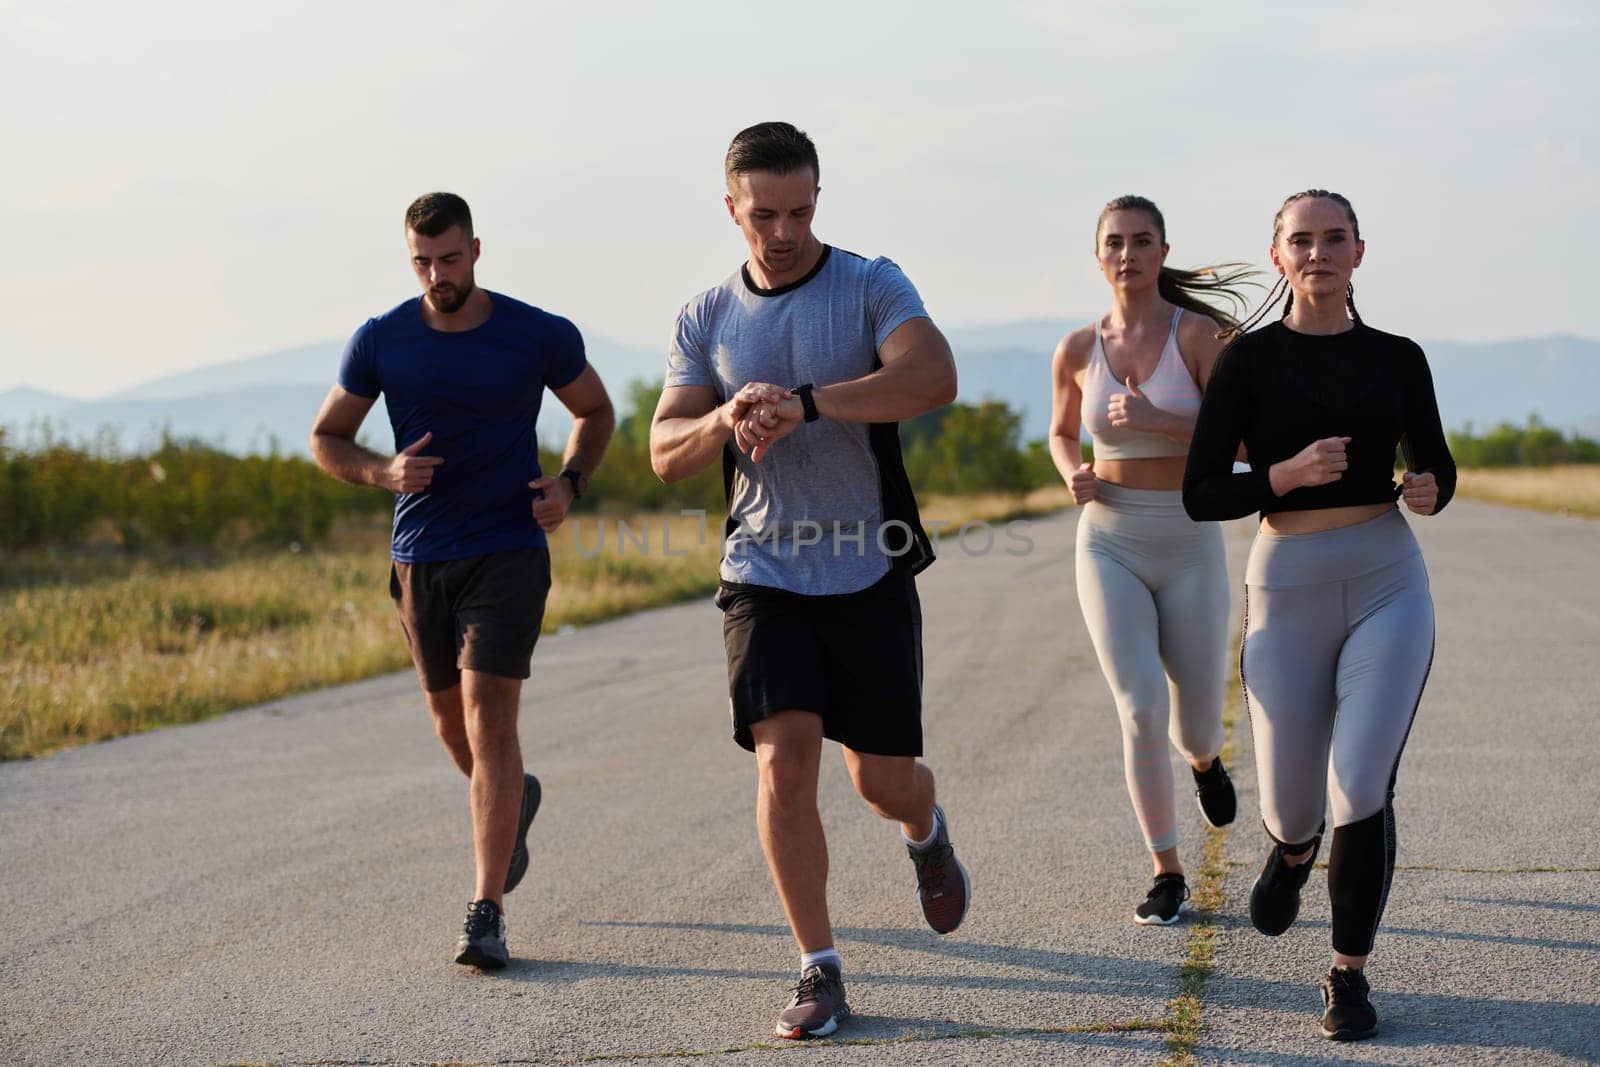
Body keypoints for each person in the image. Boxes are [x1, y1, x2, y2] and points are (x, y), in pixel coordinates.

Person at [649, 121, 967, 1040]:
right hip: (763, 571)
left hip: (866, 565)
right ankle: (818, 967)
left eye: (796, 211)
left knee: (881, 781)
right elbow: (667, 453)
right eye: (762, 215)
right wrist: (724, 418)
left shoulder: (871, 283)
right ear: (731, 210)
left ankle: (927, 827)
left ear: (817, 200)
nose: (780, 232)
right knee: (784, 758)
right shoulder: (705, 317)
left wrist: (815, 400)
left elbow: (931, 374)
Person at [309, 192, 614, 970]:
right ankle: (514, 801)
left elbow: (595, 409)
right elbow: (327, 437)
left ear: (476, 249)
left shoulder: (535, 332)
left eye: (448, 259)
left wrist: (570, 483)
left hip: (507, 548)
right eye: (422, 261)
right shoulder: (381, 339)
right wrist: (384, 471)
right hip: (420, 558)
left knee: (489, 716)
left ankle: (486, 909)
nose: (436, 274)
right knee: (454, 729)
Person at [1183, 189, 1455, 1041]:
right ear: (1279, 257)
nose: (1319, 252)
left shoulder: (1399, 357)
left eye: (1335, 238)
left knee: (1361, 786)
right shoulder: (1247, 363)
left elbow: (1439, 465)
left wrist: (1429, 488)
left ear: (1359, 253)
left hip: (1386, 580)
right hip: (1288, 584)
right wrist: (1282, 476)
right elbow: (1200, 493)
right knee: (1296, 806)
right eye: (1302, 240)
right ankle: (1294, 850)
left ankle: (1347, 976)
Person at [1048, 195, 1254, 925]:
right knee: (1140, 707)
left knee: (1195, 723)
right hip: (1108, 538)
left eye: (1142, 241)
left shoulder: (1201, 336)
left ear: (1163, 251)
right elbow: (1060, 433)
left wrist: (1158, 419)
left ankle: (1204, 761)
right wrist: (1070, 470)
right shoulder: (1076, 348)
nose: (1128, 254)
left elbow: (1244, 446)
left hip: (1190, 541)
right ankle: (1167, 868)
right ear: (1098, 255)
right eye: (1114, 242)